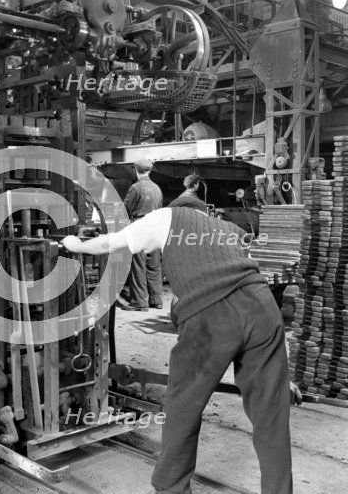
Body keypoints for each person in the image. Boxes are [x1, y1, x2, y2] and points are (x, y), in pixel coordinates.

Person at [62, 207, 302, 494]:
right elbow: (250, 274)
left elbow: (109, 243)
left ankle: (170, 488)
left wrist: (75, 245)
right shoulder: (226, 230)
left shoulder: (161, 218)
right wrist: (276, 377)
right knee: (271, 413)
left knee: (182, 406)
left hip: (211, 315)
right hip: (263, 308)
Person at [121, 162, 163, 311]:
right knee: (154, 265)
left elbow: (125, 210)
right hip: (155, 231)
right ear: (149, 171)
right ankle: (156, 300)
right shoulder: (157, 188)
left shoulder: (136, 188)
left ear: (136, 170)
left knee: (138, 266)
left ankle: (140, 302)